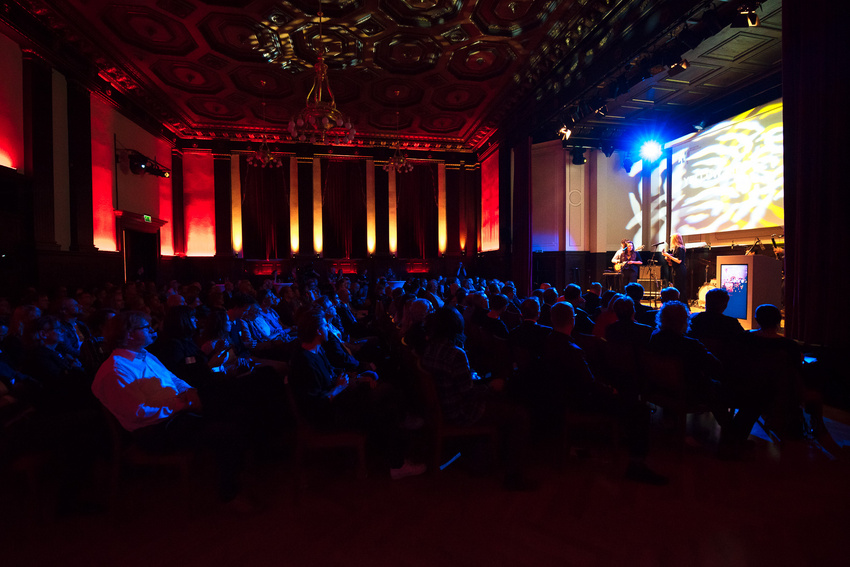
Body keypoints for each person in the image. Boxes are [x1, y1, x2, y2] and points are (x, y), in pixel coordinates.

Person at [92, 311, 248, 503]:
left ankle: (237, 473)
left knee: (235, 408)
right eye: (145, 327)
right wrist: (183, 404)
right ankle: (230, 493)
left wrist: (190, 392)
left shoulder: (144, 355)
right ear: (129, 334)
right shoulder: (115, 370)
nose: (152, 329)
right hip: (156, 430)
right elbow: (139, 412)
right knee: (228, 428)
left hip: (177, 414)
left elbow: (173, 379)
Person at [543, 302, 667, 485]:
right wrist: (611, 390)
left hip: (562, 397)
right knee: (640, 410)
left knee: (628, 397)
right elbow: (589, 384)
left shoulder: (548, 341)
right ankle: (636, 464)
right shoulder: (572, 350)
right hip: (580, 399)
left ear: (551, 319)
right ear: (573, 320)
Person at [662, 233, 688, 302]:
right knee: (678, 288)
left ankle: (682, 305)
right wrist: (667, 256)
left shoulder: (680, 248)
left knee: (680, 289)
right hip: (676, 270)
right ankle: (680, 304)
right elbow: (674, 259)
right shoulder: (677, 248)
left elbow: (679, 260)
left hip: (679, 271)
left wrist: (668, 255)